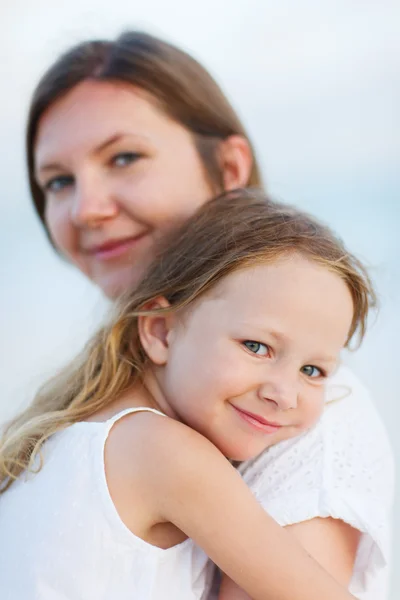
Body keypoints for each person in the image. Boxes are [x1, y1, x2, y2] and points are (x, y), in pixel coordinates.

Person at [25, 31, 394, 598]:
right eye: (58, 182)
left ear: (229, 167)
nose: (87, 209)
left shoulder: (306, 425)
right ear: (160, 331)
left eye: (124, 157)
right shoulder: (133, 431)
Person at [0, 191, 374, 600]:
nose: (284, 394)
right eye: (255, 346)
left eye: (312, 371)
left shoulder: (68, 438)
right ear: (161, 330)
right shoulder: (166, 453)